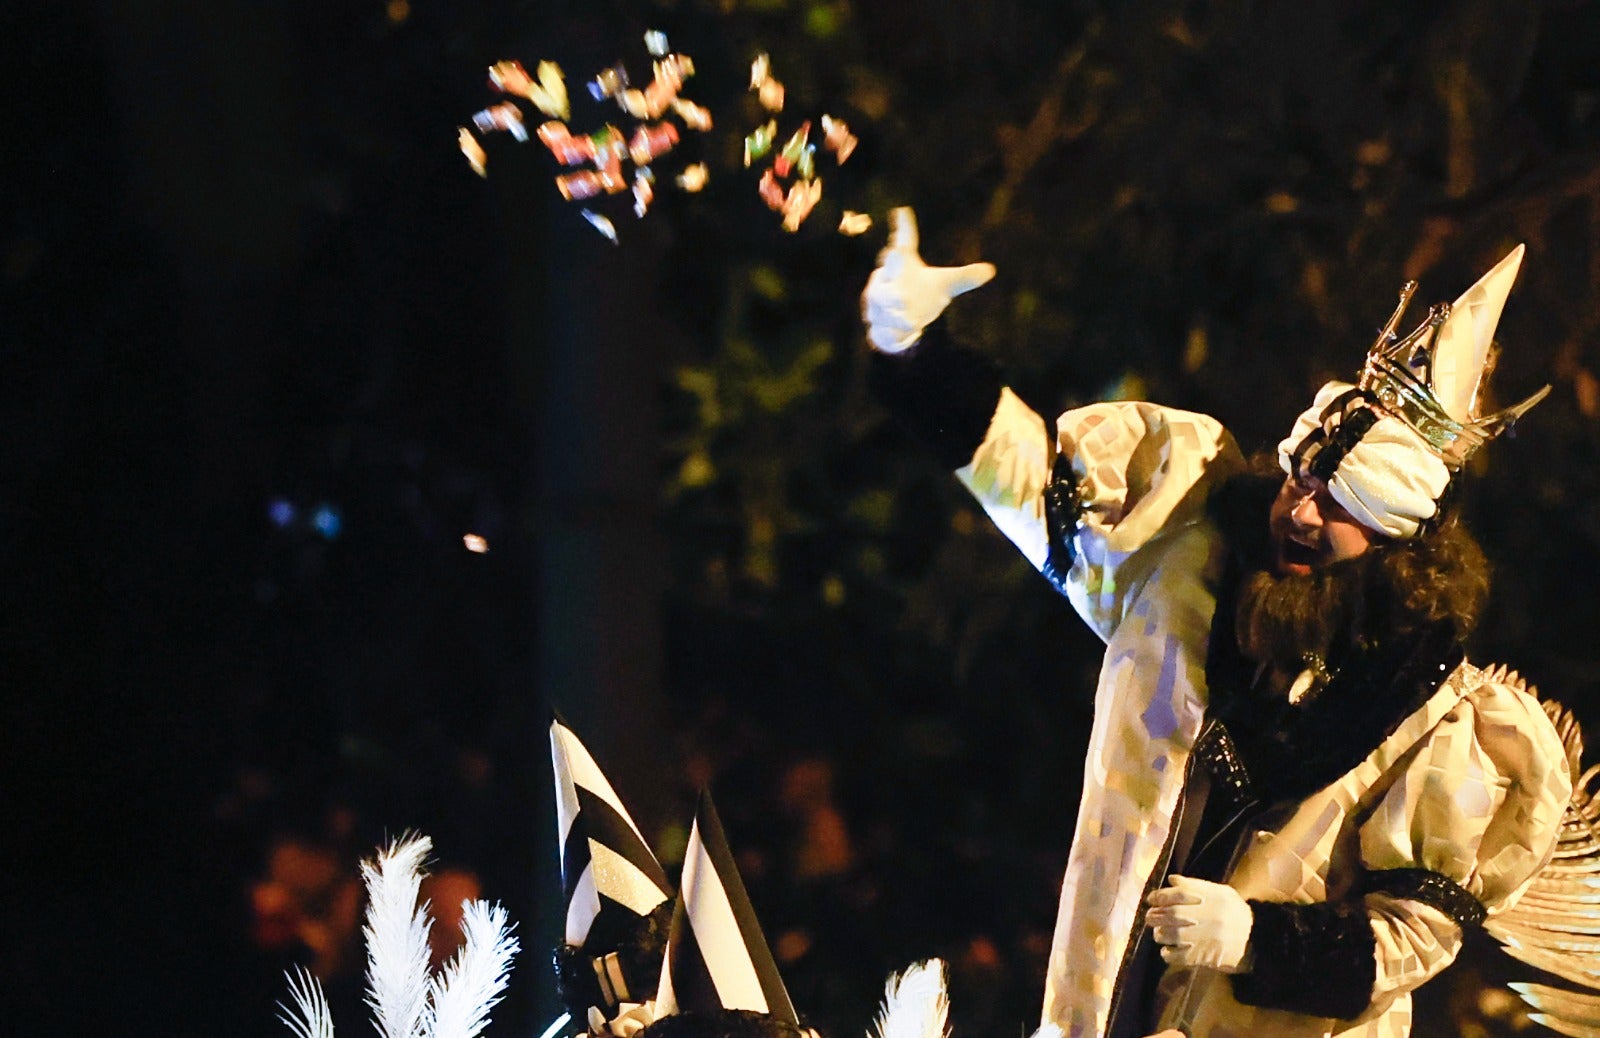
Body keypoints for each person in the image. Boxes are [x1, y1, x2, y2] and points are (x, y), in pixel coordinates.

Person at [860, 207, 1572, 1038]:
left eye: (1339, 503)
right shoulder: (1187, 559)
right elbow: (1029, 486)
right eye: (1296, 479)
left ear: (1398, 540)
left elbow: (1414, 935)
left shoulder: (1438, 721)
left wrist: (1257, 940)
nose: (1300, 513)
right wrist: (913, 354)